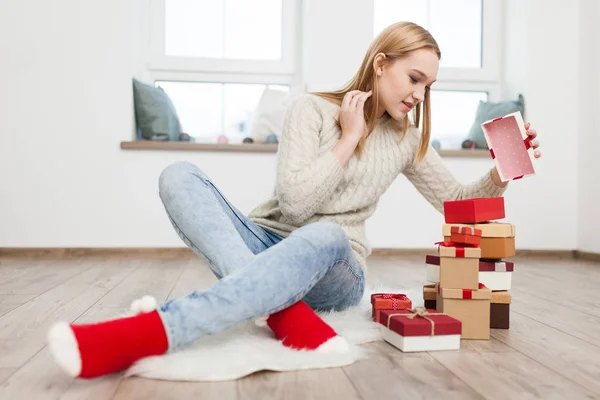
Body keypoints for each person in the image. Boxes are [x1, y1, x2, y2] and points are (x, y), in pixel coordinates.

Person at [46, 21, 541, 379]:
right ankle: (282, 310)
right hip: (266, 240)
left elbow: (456, 202)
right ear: (381, 63)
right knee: (179, 174)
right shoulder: (308, 110)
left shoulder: (407, 140)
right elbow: (296, 202)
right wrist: (348, 138)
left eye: (428, 87)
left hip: (335, 267)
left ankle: (149, 332)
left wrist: (500, 172)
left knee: (324, 233)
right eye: (414, 79)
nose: (419, 95)